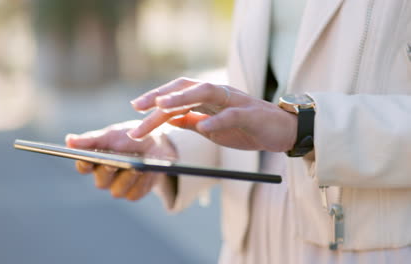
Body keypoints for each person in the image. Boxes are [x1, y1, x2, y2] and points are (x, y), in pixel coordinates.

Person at [66, 0, 411, 263]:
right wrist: (171, 142)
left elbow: (287, 115)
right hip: (249, 238)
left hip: (374, 245)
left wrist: (305, 127)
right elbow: (265, 81)